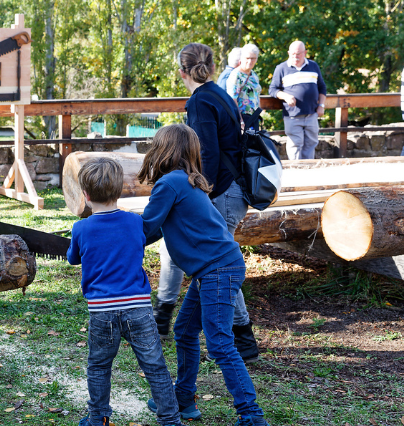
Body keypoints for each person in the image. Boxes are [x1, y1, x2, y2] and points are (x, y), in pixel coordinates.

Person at [141, 124, 269, 426]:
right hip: (215, 270)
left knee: (220, 344)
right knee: (185, 331)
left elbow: (145, 229)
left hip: (217, 271)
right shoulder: (186, 182)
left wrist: (109, 229)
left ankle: (252, 416)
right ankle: (183, 399)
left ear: (163, 150)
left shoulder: (169, 184)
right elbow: (155, 229)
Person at [153, 43, 259, 364]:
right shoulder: (219, 93)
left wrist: (201, 193)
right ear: (211, 67)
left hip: (222, 191)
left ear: (181, 71)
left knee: (220, 264)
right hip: (229, 188)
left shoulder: (201, 101)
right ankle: (161, 318)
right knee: (172, 246)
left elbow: (208, 153)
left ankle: (244, 339)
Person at [67, 158, 184, 426]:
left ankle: (98, 419)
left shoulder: (81, 228)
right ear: (120, 191)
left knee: (99, 366)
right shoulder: (134, 222)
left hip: (102, 312)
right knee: (155, 366)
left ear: (85, 195)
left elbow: (73, 258)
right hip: (138, 308)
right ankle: (170, 420)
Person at [268, 40, 327, 160]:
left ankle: (308, 171)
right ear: (288, 53)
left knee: (311, 143)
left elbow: (322, 87)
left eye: (299, 53)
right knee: (295, 145)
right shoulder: (281, 68)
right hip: (292, 115)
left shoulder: (313, 66)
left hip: (312, 113)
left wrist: (321, 105)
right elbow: (273, 90)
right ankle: (296, 170)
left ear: (305, 53)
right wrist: (285, 96)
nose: (296, 56)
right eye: (293, 53)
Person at [226, 43, 262, 116]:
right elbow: (232, 100)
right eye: (247, 58)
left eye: (253, 58)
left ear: (256, 59)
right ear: (241, 58)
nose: (250, 61)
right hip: (241, 117)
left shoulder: (254, 75)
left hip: (254, 117)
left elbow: (257, 96)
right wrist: (240, 121)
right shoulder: (236, 75)